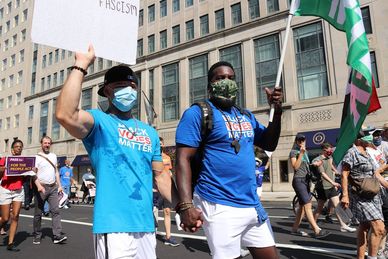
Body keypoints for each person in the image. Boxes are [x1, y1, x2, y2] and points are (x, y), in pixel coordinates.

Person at [55, 45, 176, 259]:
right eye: (120, 86)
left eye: (131, 86)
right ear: (107, 92)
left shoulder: (150, 132)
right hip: (114, 226)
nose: (127, 90)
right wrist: (81, 64)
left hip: (146, 225)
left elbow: (161, 175)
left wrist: (184, 207)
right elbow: (66, 114)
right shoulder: (99, 122)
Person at [175, 61, 282, 259]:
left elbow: (269, 143)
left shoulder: (246, 115)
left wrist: (277, 111)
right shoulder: (197, 113)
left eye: (231, 78)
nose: (227, 82)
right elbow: (182, 160)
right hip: (219, 204)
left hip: (252, 205)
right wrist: (186, 206)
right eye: (220, 78)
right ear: (209, 87)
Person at [341, 133, 387, 259]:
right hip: (360, 195)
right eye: (367, 136)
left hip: (373, 195)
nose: (371, 138)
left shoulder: (368, 153)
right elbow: (344, 174)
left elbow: (376, 174)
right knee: (379, 228)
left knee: (365, 226)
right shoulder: (352, 153)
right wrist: (345, 195)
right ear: (359, 139)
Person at [0, 139, 43, 251]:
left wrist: (33, 170)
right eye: (17, 146)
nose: (19, 148)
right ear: (12, 149)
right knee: (5, 218)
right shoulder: (5, 159)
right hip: (5, 189)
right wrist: (2, 169)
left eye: (20, 146)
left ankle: (10, 243)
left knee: (15, 216)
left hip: (18, 190)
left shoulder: (25, 161)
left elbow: (28, 174)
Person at [290, 134, 330, 238]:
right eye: (299, 140)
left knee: (302, 207)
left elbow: (306, 167)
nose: (301, 142)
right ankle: (316, 230)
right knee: (308, 205)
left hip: (306, 181)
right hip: (299, 180)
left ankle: (294, 229)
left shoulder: (306, 152)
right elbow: (295, 167)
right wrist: (301, 154)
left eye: (303, 140)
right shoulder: (294, 152)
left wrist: (314, 164)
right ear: (296, 141)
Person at [312, 142, 356, 233]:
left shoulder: (329, 158)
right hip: (322, 187)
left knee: (337, 206)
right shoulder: (319, 160)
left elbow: (331, 165)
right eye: (328, 151)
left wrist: (337, 172)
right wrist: (333, 182)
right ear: (324, 150)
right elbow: (322, 174)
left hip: (330, 186)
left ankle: (343, 225)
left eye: (330, 150)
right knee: (319, 207)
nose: (330, 152)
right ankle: (312, 223)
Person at [33, 136, 67, 245]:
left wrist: (59, 185)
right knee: (38, 213)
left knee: (55, 211)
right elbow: (33, 174)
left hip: (53, 187)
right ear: (41, 144)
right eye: (45, 143)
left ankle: (57, 236)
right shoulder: (36, 157)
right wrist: (38, 185)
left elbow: (56, 171)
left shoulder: (53, 156)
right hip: (41, 188)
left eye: (49, 143)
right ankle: (37, 235)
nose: (47, 145)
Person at [159, 137, 179, 247]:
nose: (161, 145)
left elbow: (169, 171)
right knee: (153, 214)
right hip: (154, 190)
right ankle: (149, 236)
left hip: (166, 188)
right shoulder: (150, 157)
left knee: (167, 211)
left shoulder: (167, 158)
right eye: (159, 144)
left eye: (162, 144)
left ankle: (168, 237)